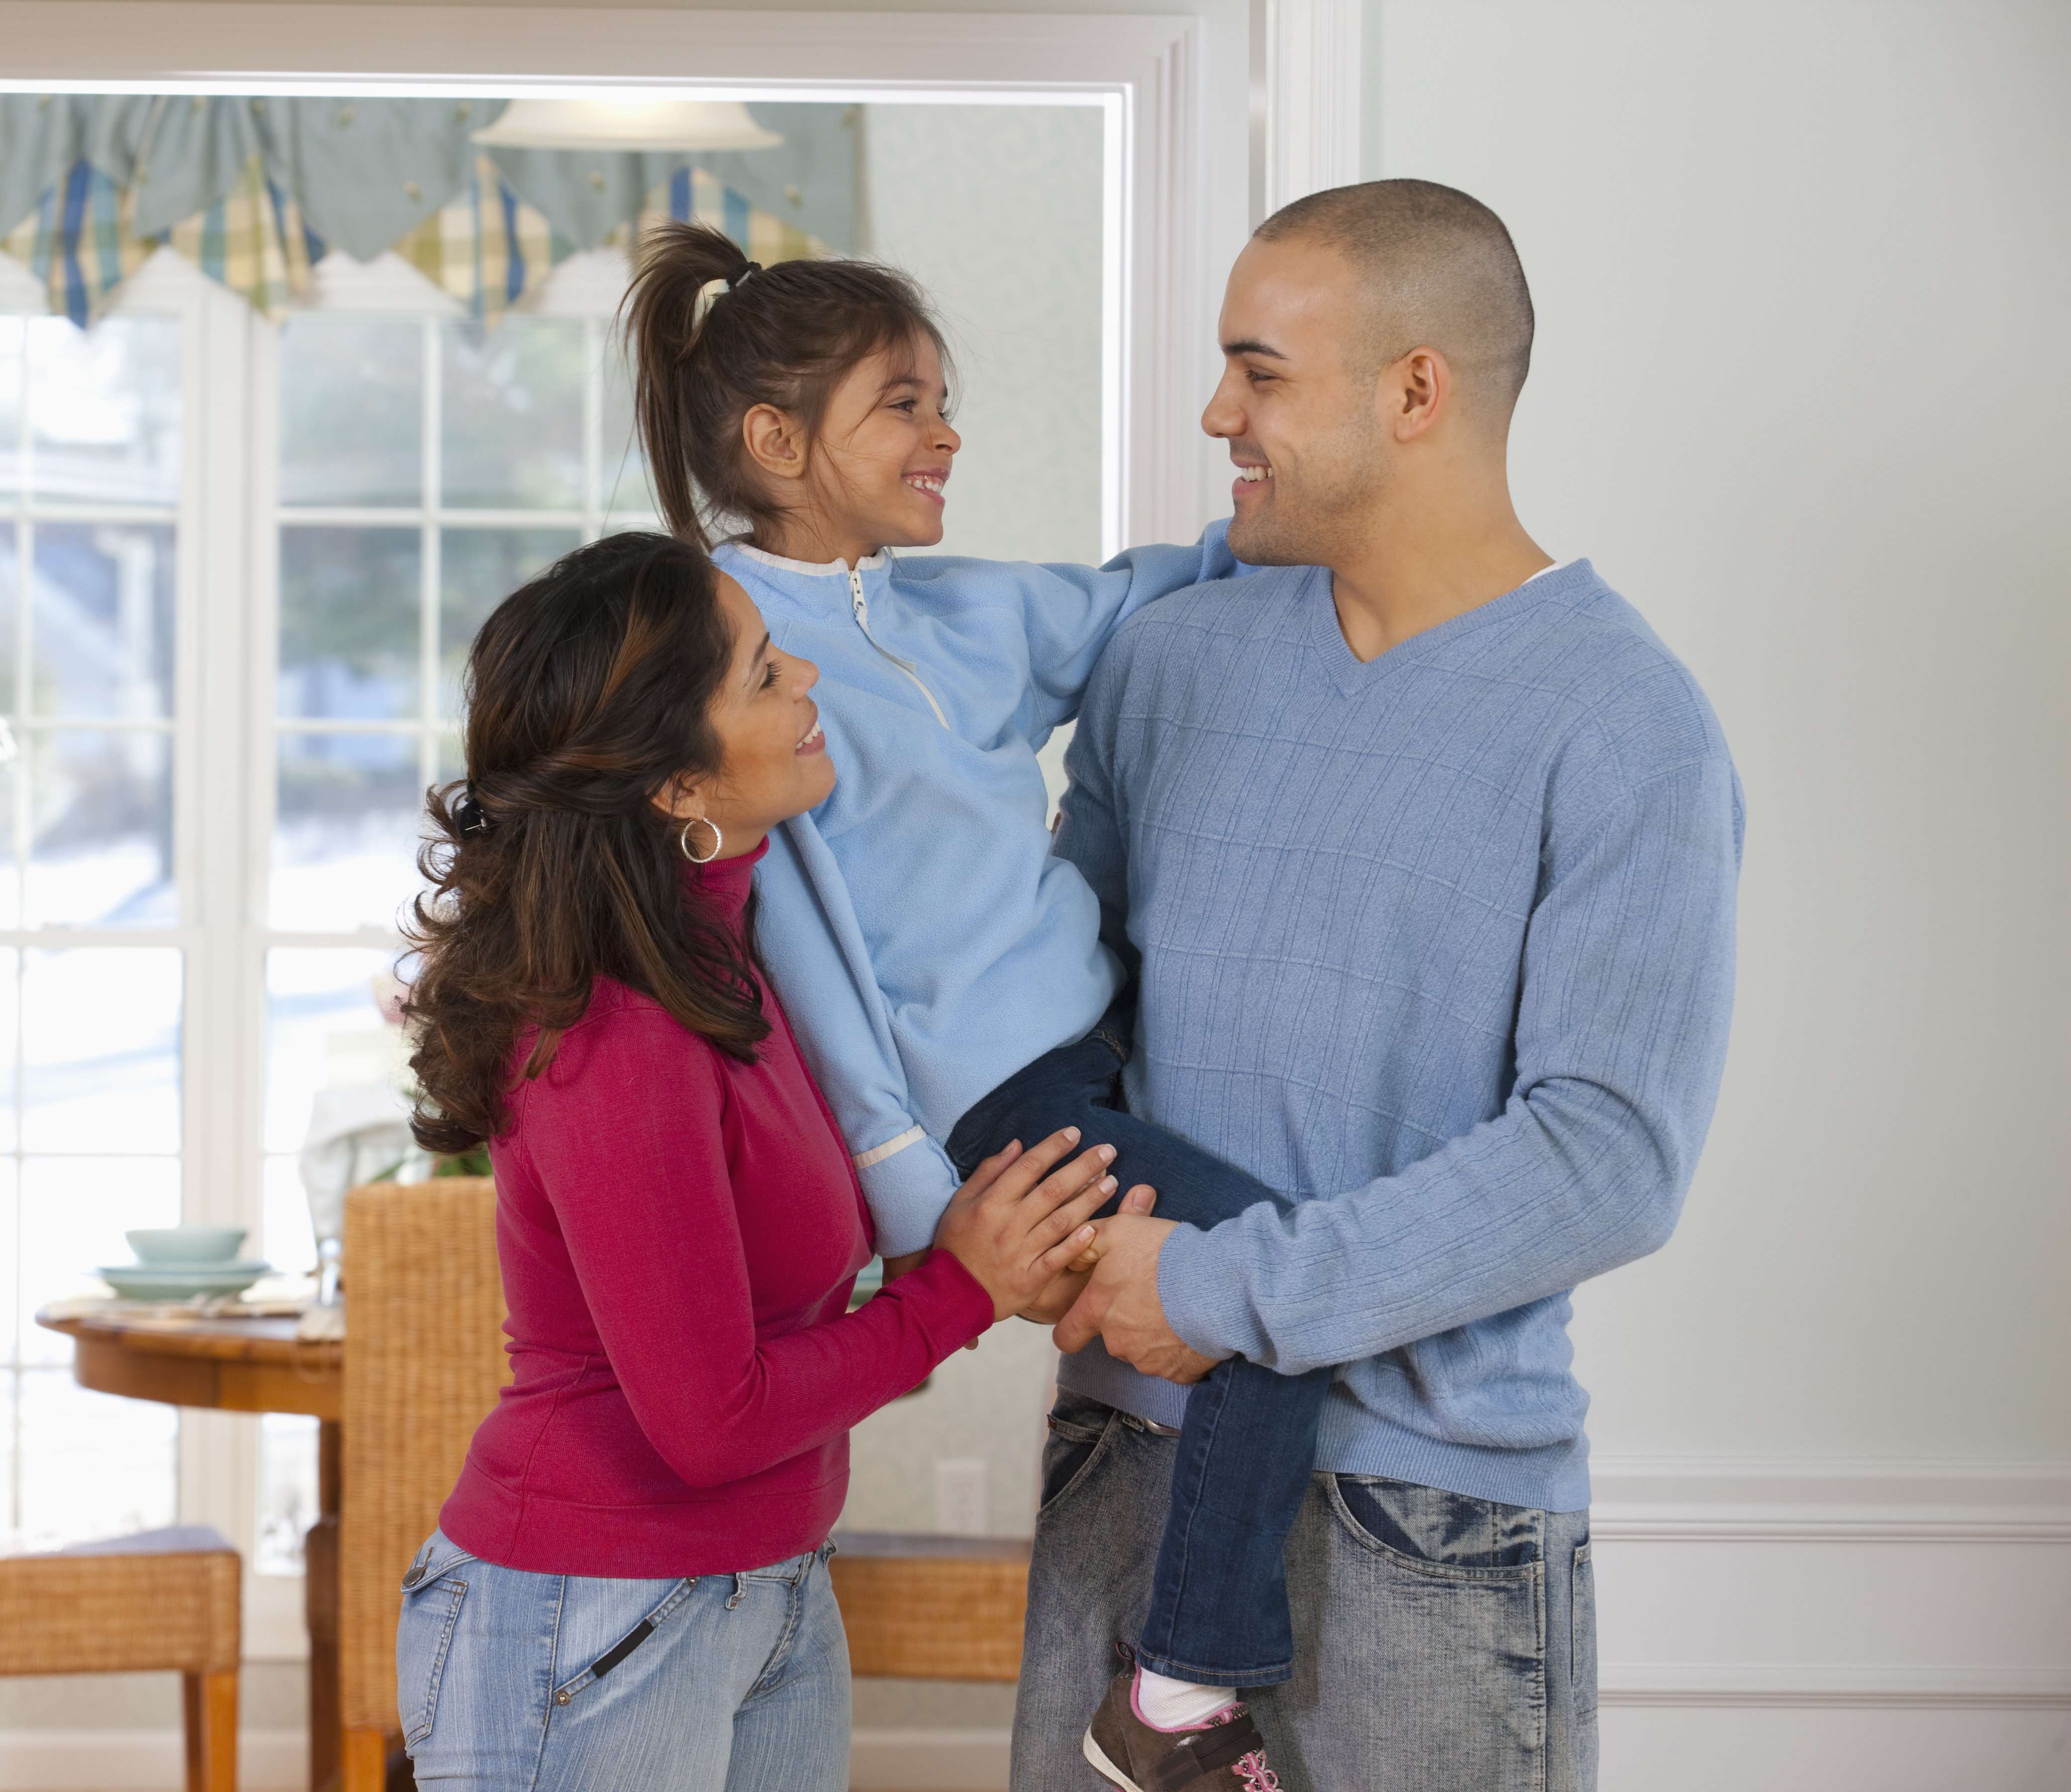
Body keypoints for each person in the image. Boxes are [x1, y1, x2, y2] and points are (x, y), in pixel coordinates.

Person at [1036, 179, 1743, 1791]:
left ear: (1416, 391)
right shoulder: (1168, 664)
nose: (1217, 414)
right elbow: (1066, 1025)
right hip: (1126, 1467)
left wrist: (1218, 1290)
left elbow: (1609, 1157)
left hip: (1424, 1520)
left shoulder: (1626, 724)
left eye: (1260, 372)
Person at [624, 221, 1323, 1786]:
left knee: (1255, 1284)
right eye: (904, 404)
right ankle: (1179, 1693)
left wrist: (1295, 504)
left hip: (1107, 1046)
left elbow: (1134, 595)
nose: (945, 434)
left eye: (944, 401)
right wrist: (915, 1193)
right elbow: (792, 955)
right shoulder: (742, 660)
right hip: (1008, 1105)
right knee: (1271, 1290)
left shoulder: (952, 611)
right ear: (777, 444)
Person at [393, 530, 1127, 1791]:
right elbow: (710, 1422)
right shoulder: (612, 1029)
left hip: (770, 1585)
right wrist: (956, 1290)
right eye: (764, 675)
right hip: (588, 1616)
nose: (809, 683)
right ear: (677, 784)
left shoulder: (740, 951)